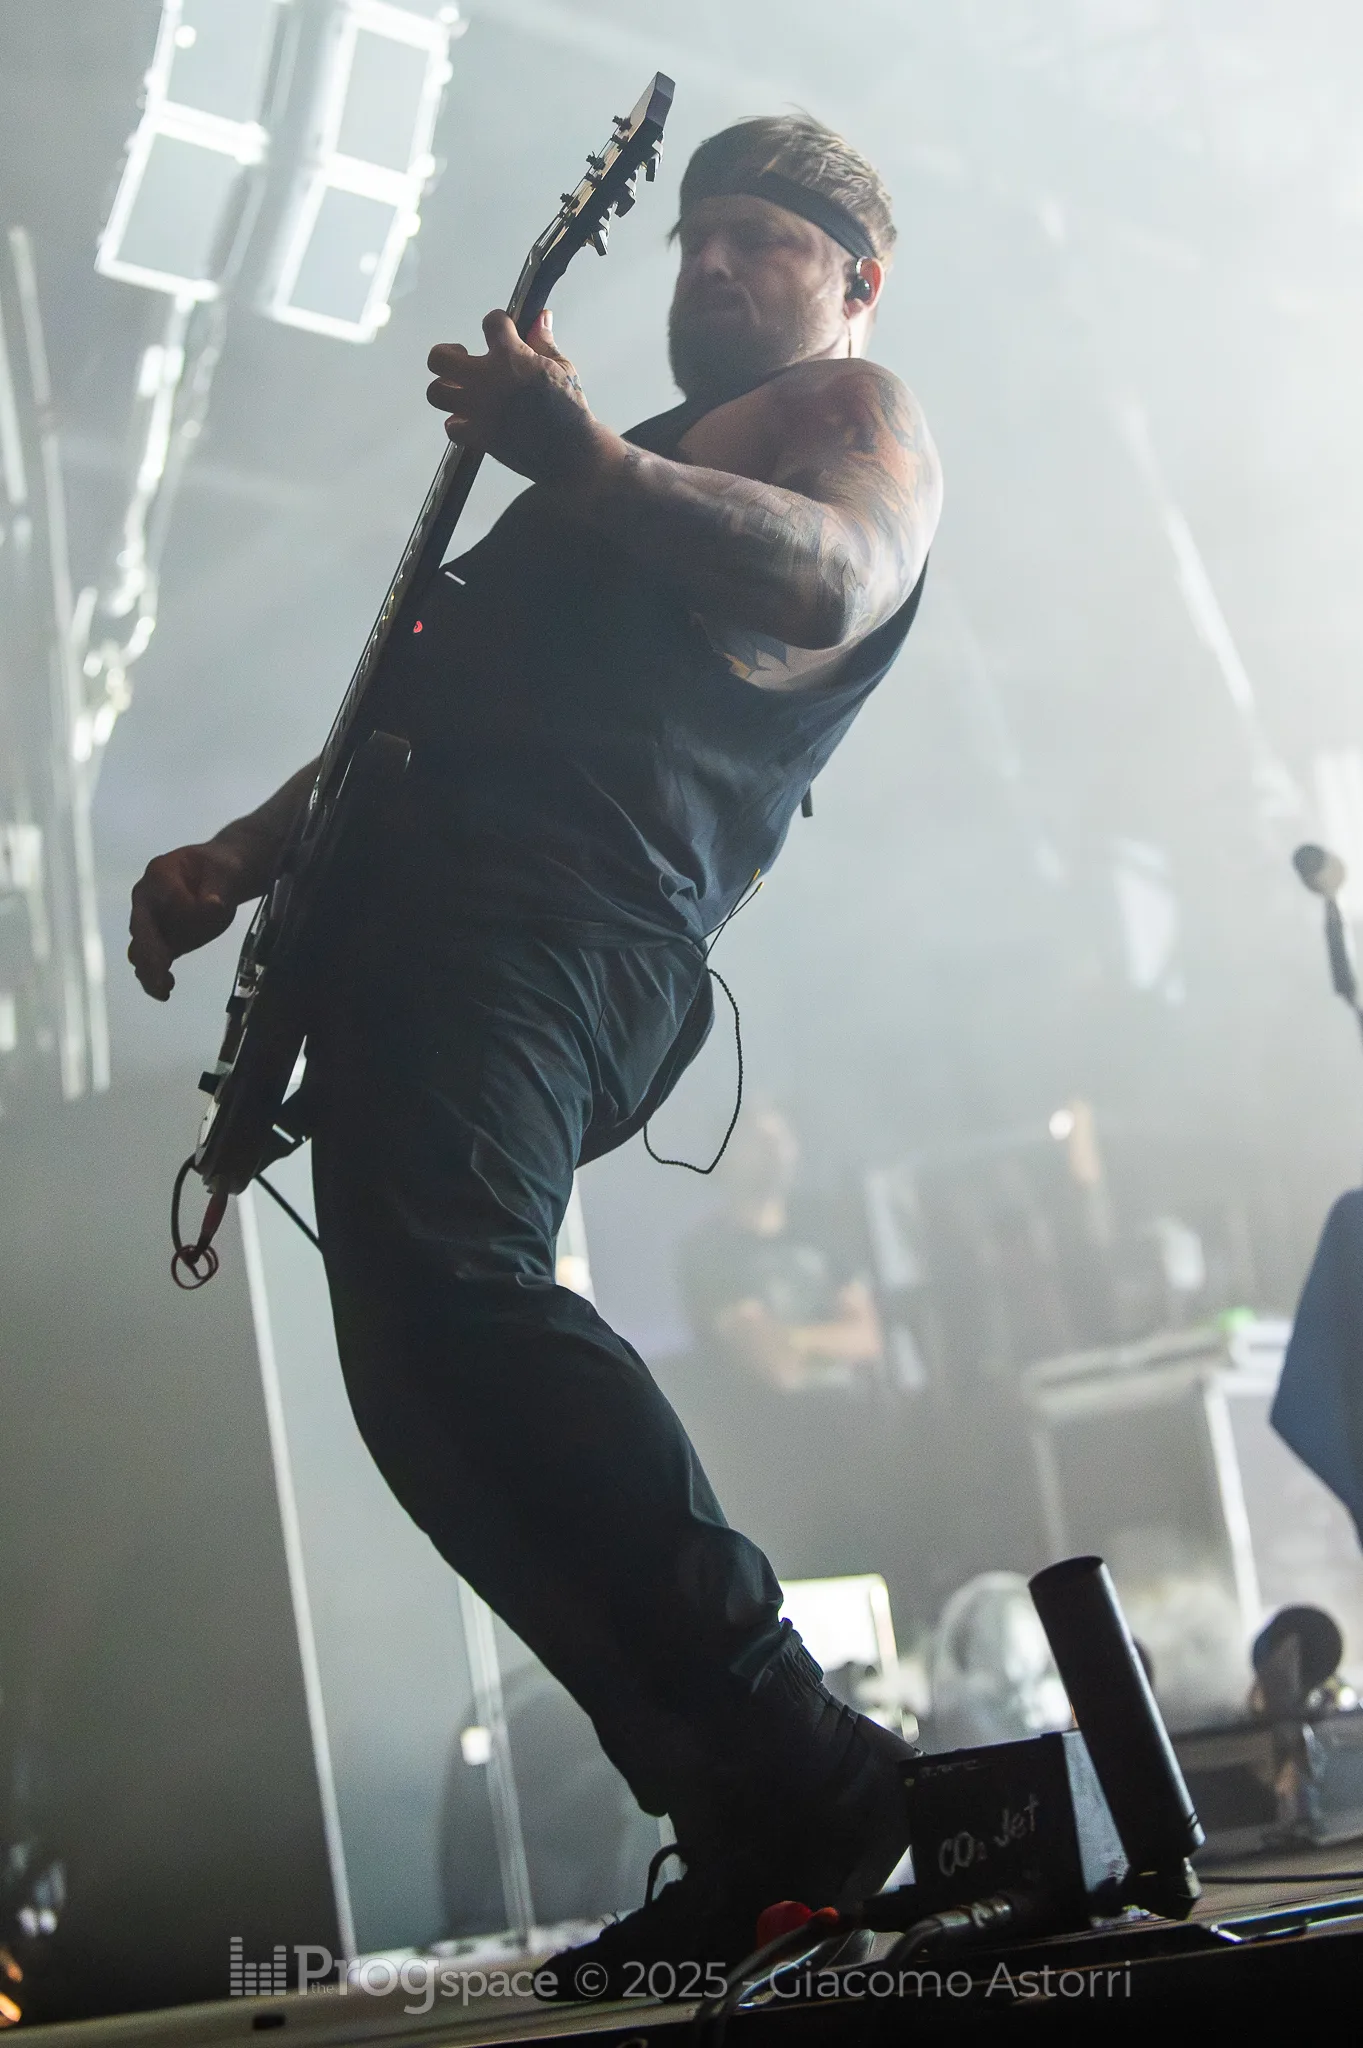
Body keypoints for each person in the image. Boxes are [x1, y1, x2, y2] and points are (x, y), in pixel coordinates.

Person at [127, 114, 942, 1985]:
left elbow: (834, 577)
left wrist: (577, 456)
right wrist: (238, 857)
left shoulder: (852, 416)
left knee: (464, 1301)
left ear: (854, 282)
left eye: (759, 239)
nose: (710, 263)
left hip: (564, 920)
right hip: (426, 923)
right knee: (419, 1391)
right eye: (693, 237)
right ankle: (741, 1816)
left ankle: (810, 1766)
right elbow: (433, 697)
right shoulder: (615, 462)